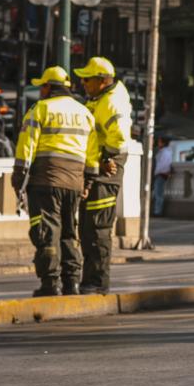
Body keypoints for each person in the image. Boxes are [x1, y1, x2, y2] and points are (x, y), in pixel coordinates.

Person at [13, 66, 98, 296]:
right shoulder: (85, 114)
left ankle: (50, 284)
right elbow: (92, 155)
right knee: (71, 233)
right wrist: (87, 183)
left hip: (46, 181)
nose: (41, 90)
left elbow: (26, 147)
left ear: (49, 87)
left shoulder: (40, 109)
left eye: (42, 86)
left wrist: (18, 178)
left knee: (47, 231)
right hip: (75, 184)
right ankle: (72, 283)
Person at [74, 56, 132, 294]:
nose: (83, 84)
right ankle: (90, 279)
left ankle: (97, 282)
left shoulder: (111, 102)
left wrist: (106, 160)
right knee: (87, 228)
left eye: (88, 80)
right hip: (96, 167)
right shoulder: (98, 100)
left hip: (106, 169)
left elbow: (119, 138)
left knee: (98, 228)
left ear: (102, 80)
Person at [152, 135, 174, 217]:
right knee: (158, 194)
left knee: (158, 194)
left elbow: (164, 165)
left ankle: (158, 212)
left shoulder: (165, 152)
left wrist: (158, 172)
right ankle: (157, 211)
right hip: (160, 174)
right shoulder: (165, 151)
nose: (158, 143)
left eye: (159, 142)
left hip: (161, 174)